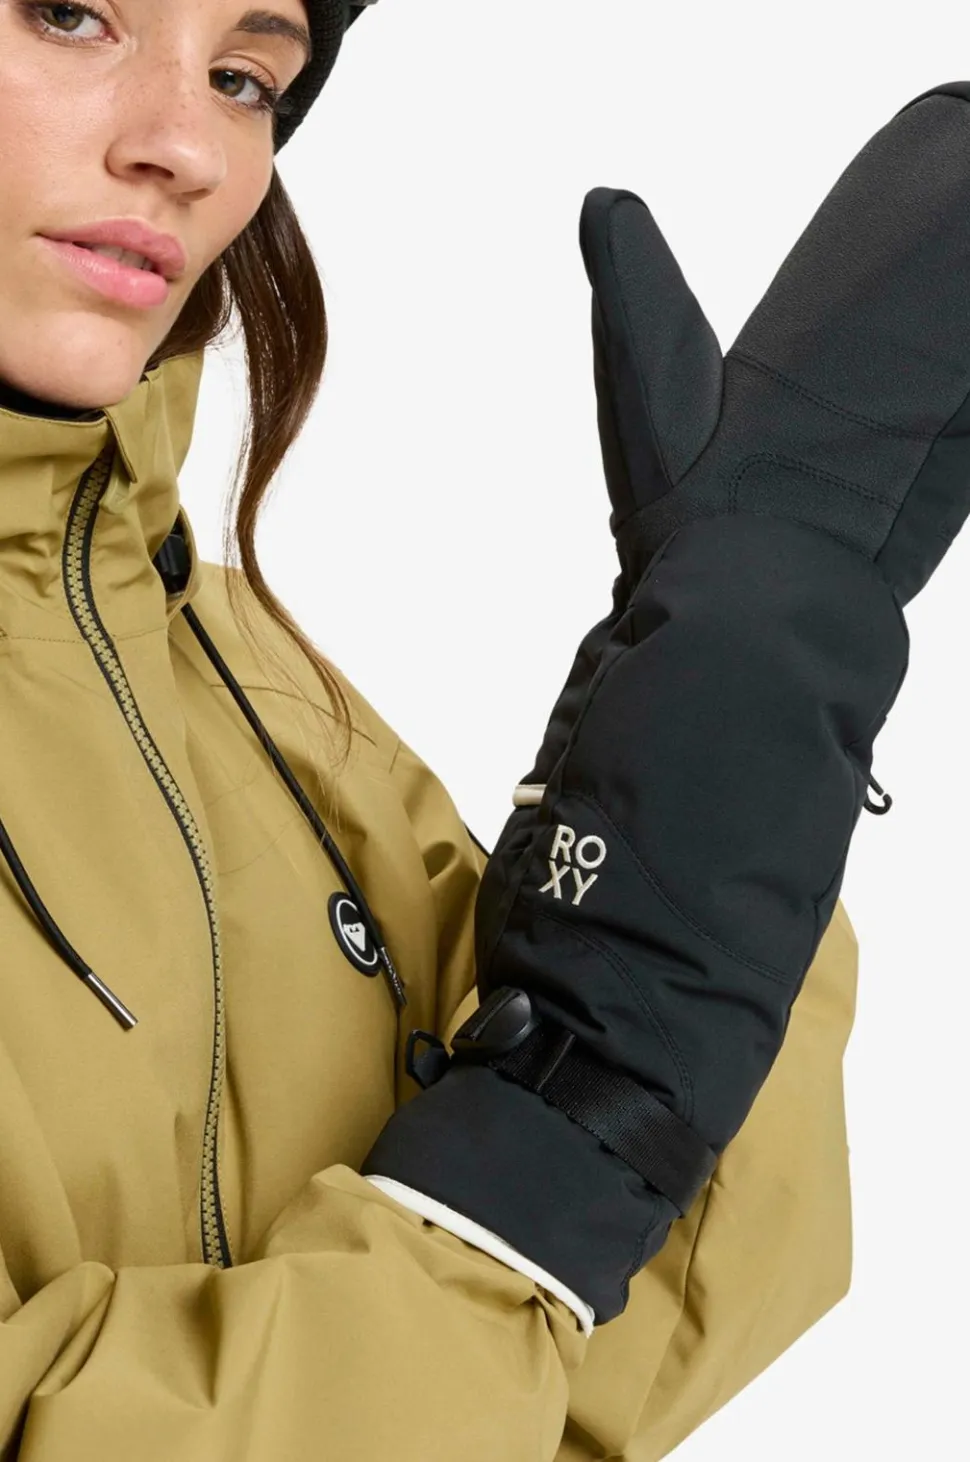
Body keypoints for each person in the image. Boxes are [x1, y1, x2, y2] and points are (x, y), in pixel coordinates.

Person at [2, 2, 963, 1459]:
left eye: (246, 76)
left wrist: (730, 732)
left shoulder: (250, 680)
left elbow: (593, 1369)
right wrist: (539, 1170)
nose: (187, 145)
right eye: (72, 14)